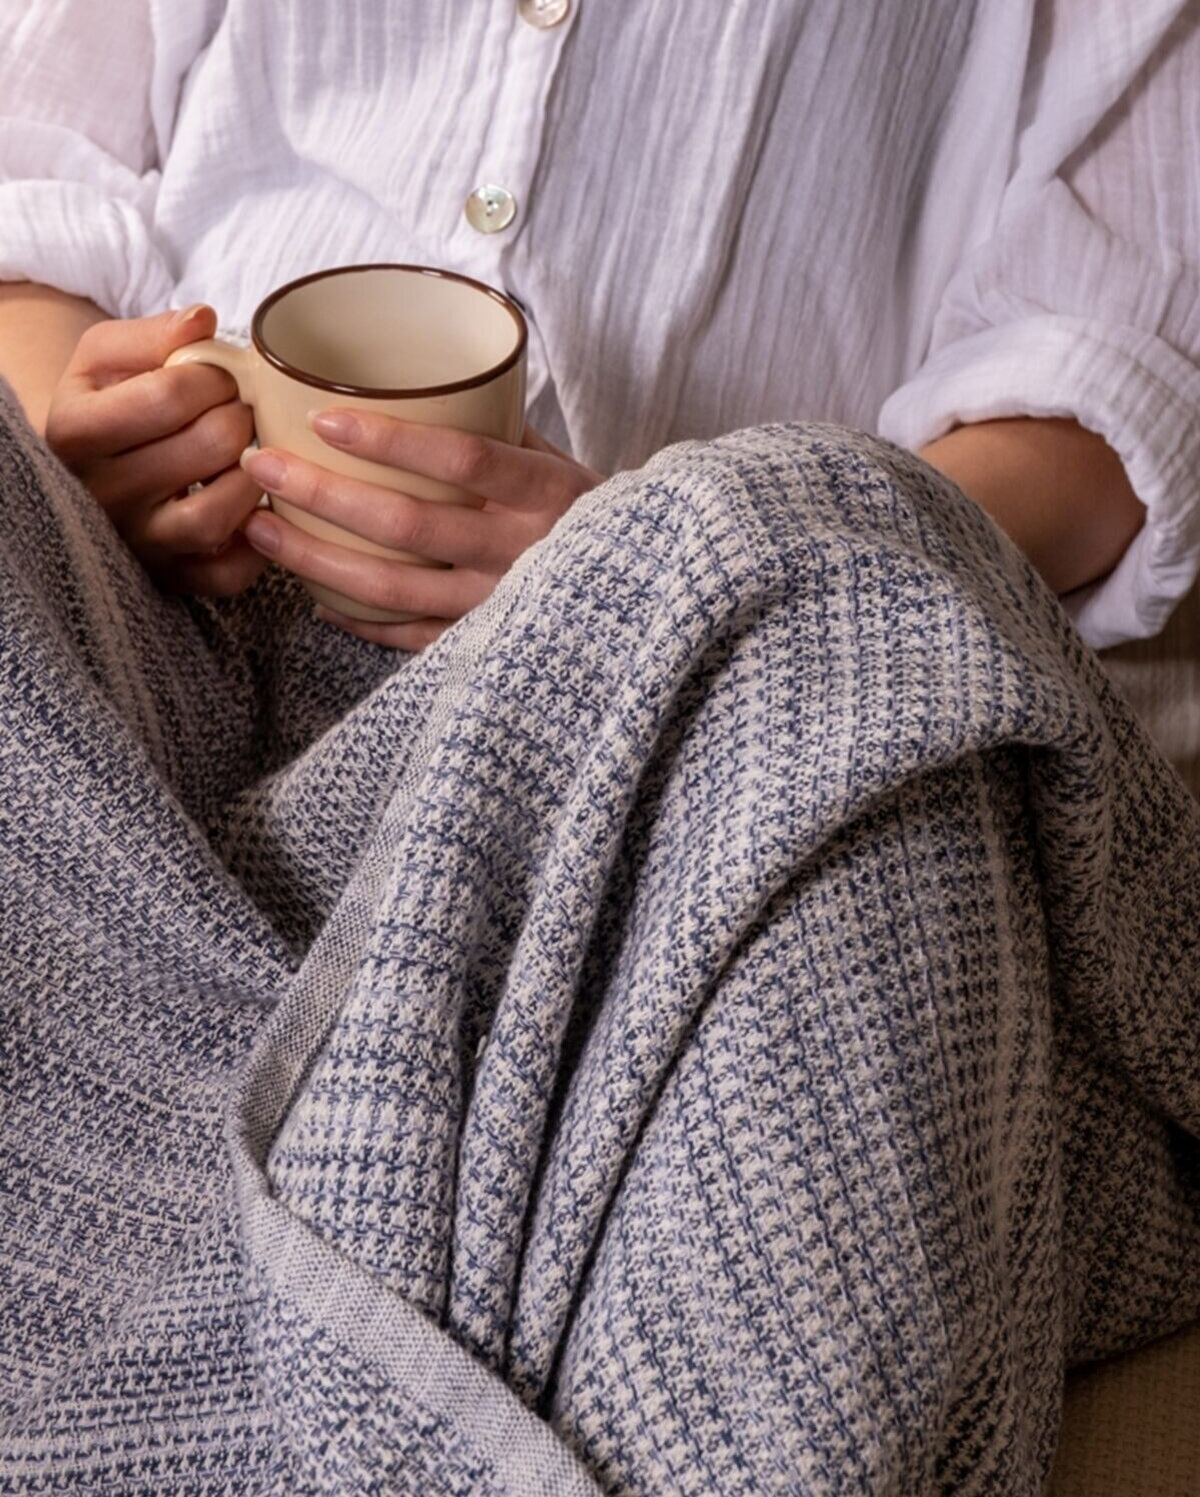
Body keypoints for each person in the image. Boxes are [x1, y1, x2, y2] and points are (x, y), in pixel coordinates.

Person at [0, 3, 1198, 1494]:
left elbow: (1109, 382)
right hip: (153, 662)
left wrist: (654, 568)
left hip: (703, 733)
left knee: (808, 567)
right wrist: (83, 413)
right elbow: (31, 195)